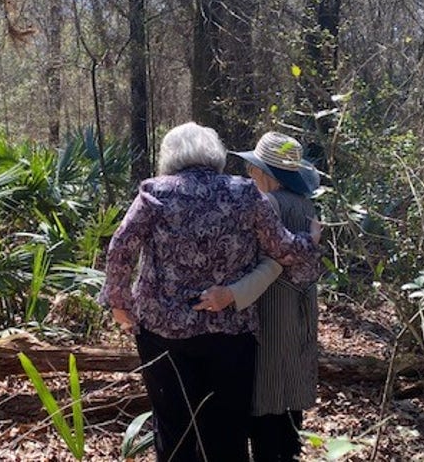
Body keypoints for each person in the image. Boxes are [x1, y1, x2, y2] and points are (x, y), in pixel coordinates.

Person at [99, 122, 321, 462]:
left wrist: (119, 303)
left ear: (170, 156)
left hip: (163, 332)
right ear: (214, 155)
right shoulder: (244, 191)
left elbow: (121, 247)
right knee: (227, 431)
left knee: (174, 429)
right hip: (230, 333)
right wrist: (310, 243)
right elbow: (283, 249)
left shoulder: (154, 192)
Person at [195, 131, 323, 462]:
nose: (250, 175)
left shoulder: (268, 203)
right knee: (291, 380)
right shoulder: (307, 205)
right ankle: (288, 451)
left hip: (270, 302)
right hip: (302, 303)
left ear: (266, 173)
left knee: (266, 385)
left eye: (255, 169)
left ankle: (270, 453)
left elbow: (272, 260)